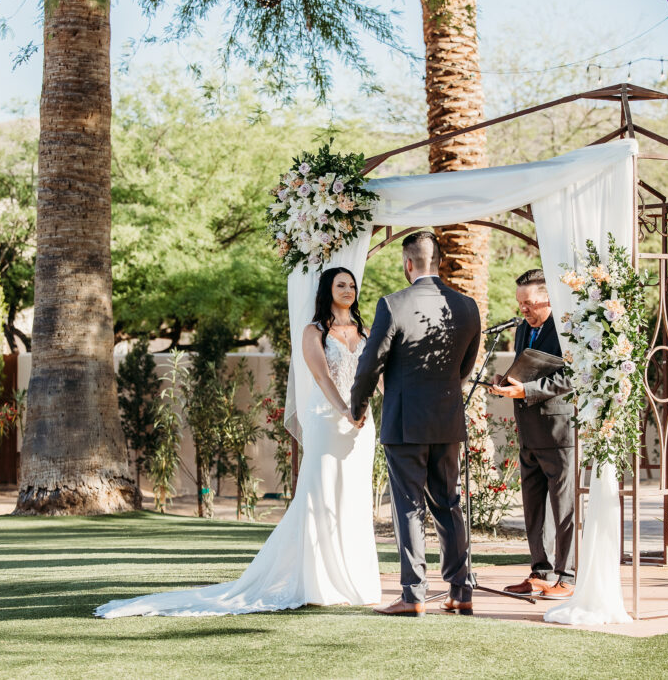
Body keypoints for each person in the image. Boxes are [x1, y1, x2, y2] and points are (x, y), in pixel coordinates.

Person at [94, 267, 381, 618]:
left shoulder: (366, 332)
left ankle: (355, 579)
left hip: (362, 426)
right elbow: (321, 376)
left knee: (354, 496)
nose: (349, 290)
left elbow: (377, 375)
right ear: (328, 290)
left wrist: (371, 409)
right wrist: (345, 409)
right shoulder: (313, 332)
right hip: (327, 419)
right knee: (320, 494)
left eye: (352, 285)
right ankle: (319, 580)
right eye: (341, 284)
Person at [351, 231, 481, 617]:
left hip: (405, 422)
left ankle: (414, 595)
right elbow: (467, 365)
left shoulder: (392, 304)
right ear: (438, 261)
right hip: (447, 419)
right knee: (449, 503)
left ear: (409, 264)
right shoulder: (468, 306)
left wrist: (357, 406)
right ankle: (461, 591)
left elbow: (369, 364)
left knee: (408, 508)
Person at [490, 268, 575, 599]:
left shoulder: (567, 329)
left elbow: (574, 377)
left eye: (529, 304)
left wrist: (527, 390)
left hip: (558, 431)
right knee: (533, 508)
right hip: (528, 431)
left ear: (549, 298)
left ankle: (567, 577)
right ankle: (540, 572)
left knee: (564, 508)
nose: (523, 310)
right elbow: (524, 370)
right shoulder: (523, 329)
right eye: (520, 303)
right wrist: (506, 382)